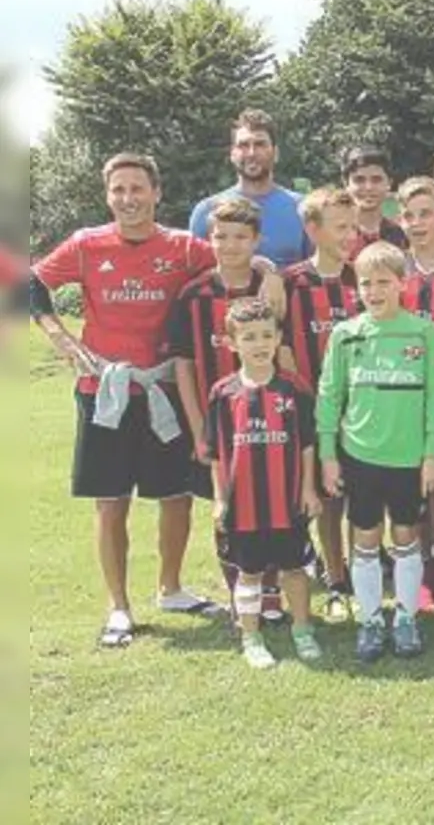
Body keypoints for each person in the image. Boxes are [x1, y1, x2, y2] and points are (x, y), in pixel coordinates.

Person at [31, 153, 235, 645]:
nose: (128, 199)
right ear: (107, 195)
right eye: (118, 189)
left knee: (176, 497)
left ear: (156, 193)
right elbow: (29, 282)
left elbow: (236, 266)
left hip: (165, 388)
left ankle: (172, 587)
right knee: (111, 501)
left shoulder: (185, 247)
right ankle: (118, 606)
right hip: (105, 390)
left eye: (137, 188)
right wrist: (59, 336)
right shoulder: (85, 244)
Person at [317, 242, 434, 663]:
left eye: (382, 282)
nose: (373, 291)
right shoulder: (346, 334)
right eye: (365, 283)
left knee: (407, 535)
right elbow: (329, 395)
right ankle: (371, 620)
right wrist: (327, 454)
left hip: (410, 457)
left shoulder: (423, 332)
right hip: (360, 454)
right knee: (366, 537)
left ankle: (407, 617)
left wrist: (432, 453)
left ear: (402, 284)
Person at [166, 197, 284, 619]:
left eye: (240, 237)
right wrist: (199, 428)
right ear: (209, 239)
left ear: (256, 240)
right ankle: (239, 589)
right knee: (228, 507)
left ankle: (270, 591)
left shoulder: (270, 288)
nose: (230, 245)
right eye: (221, 236)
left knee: (273, 501)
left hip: (271, 421)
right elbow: (183, 364)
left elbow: (285, 355)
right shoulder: (193, 295)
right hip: (218, 424)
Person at [206, 298, 321, 668]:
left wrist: (307, 489)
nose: (259, 344)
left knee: (294, 569)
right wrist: (219, 499)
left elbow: (306, 444)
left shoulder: (294, 389)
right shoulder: (223, 393)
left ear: (278, 339)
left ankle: (303, 630)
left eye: (266, 336)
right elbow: (217, 454)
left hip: (287, 500)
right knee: (250, 572)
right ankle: (251, 636)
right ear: (232, 344)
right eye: (249, 337)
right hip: (243, 504)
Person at [281, 187, 362, 618]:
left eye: (353, 226)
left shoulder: (361, 279)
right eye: (340, 227)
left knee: (356, 495)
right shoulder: (289, 283)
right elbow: (280, 345)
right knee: (322, 496)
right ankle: (333, 575)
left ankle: (361, 566)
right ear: (313, 230)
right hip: (311, 410)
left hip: (363, 410)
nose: (350, 235)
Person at [189, 109, 309, 269]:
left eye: (260, 144)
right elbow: (196, 274)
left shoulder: (302, 209)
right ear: (232, 154)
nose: (251, 153)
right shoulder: (207, 211)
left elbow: (315, 274)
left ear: (276, 153)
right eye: (243, 145)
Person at [397, 177, 434, 324]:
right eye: (408, 216)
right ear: (399, 221)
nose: (417, 223)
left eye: (425, 214)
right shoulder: (394, 269)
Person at [342, 146, 406, 250]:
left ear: (389, 183)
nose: (369, 187)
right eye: (359, 180)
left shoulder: (402, 235)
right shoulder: (333, 234)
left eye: (376, 180)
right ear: (346, 183)